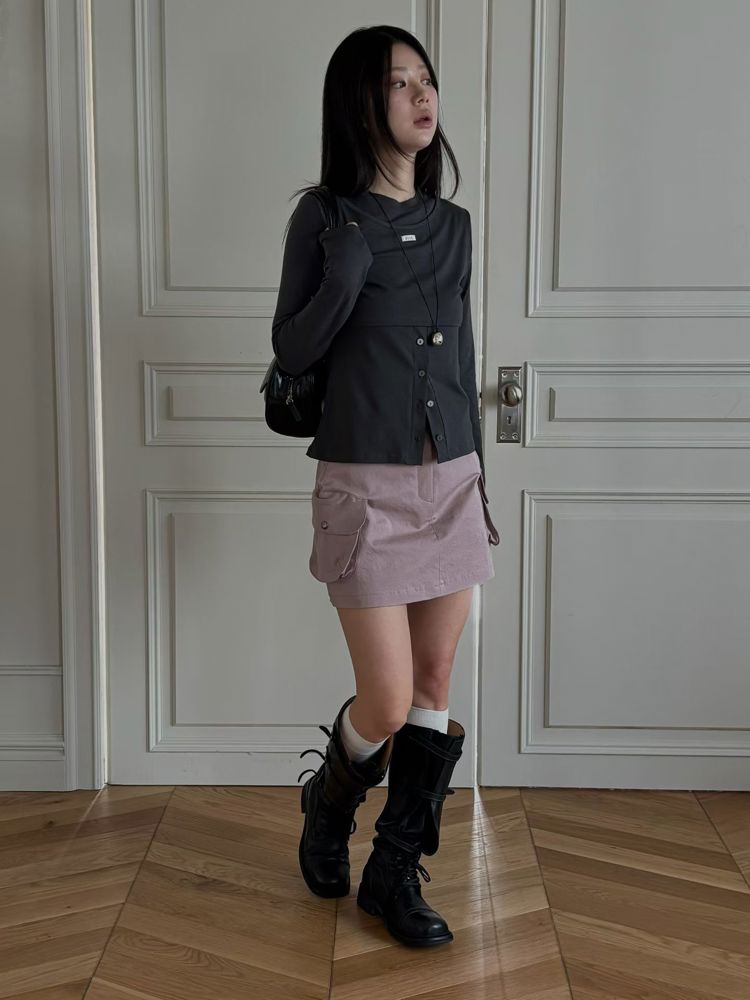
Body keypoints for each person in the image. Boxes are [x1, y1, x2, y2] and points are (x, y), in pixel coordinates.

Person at [272, 25, 500, 949]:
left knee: (436, 682)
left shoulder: (455, 226)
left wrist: (477, 474)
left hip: (450, 480)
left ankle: (393, 872)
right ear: (359, 102)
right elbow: (292, 350)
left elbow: (464, 360)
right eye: (399, 82)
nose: (420, 95)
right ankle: (328, 803)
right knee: (387, 697)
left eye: (425, 79)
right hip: (364, 487)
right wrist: (345, 277)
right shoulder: (325, 219)